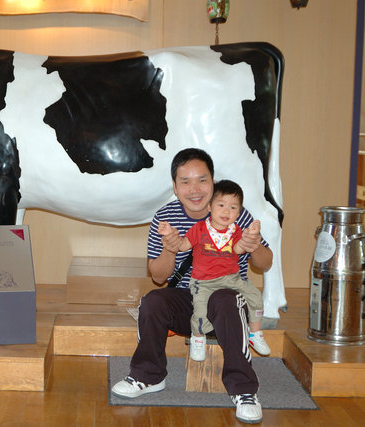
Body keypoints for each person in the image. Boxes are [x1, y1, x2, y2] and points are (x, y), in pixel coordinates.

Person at [111, 148, 273, 424]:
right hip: (189, 300)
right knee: (153, 301)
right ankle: (148, 376)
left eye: (202, 180)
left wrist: (254, 244)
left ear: (213, 181)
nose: (194, 189)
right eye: (185, 182)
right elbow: (158, 276)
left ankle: (244, 391)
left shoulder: (233, 211)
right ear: (175, 187)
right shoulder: (165, 218)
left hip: (227, 305)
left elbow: (265, 263)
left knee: (226, 299)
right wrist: (170, 247)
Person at [161, 179, 270, 362]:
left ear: (239, 213)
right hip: (203, 282)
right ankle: (198, 337)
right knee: (200, 311)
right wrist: (170, 234)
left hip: (232, 279)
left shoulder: (235, 231)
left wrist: (250, 236)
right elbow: (183, 245)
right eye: (221, 205)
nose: (226, 211)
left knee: (255, 297)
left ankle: (255, 333)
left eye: (233, 208)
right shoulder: (199, 229)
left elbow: (238, 249)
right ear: (209, 207)